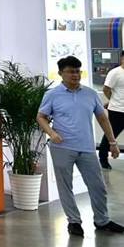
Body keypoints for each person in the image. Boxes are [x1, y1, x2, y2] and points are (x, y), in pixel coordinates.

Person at [37, 55, 124, 237]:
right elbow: (41, 117)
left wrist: (112, 142)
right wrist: (51, 133)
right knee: (65, 186)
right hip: (62, 147)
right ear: (61, 73)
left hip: (87, 147)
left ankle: (102, 220)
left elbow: (102, 118)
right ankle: (74, 222)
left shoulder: (90, 94)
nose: (75, 75)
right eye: (71, 72)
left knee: (97, 186)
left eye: (77, 71)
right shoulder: (52, 95)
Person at [99, 54, 124, 169]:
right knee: (111, 135)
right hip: (118, 110)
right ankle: (103, 158)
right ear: (122, 58)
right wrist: (112, 101)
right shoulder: (115, 73)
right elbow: (106, 89)